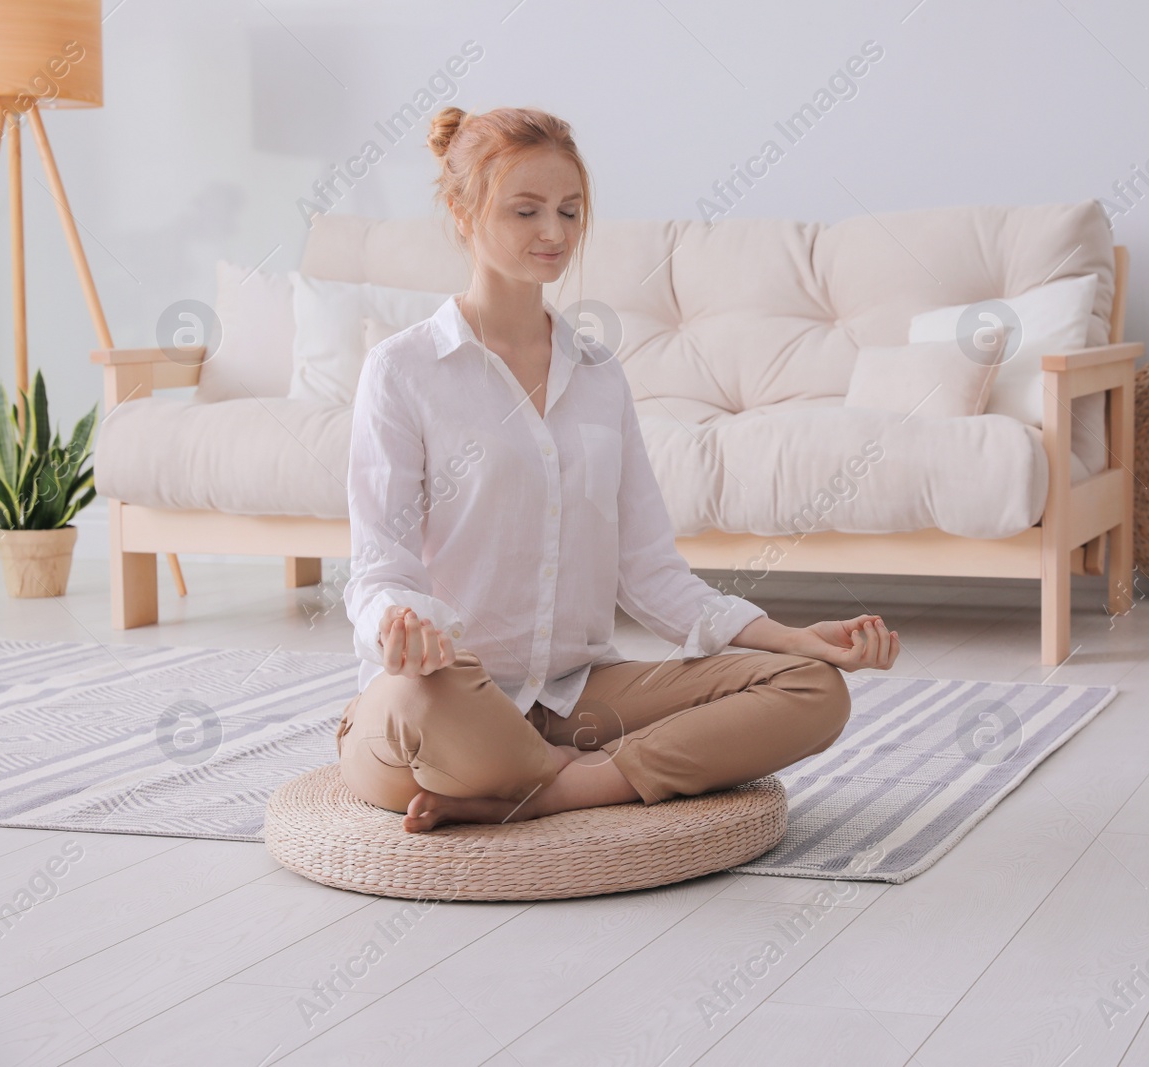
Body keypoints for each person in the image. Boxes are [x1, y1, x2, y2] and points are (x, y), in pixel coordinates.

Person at [336, 105, 901, 834]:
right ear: (462, 212)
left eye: (570, 212)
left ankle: (557, 789)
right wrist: (400, 624)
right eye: (527, 210)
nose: (555, 233)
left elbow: (651, 575)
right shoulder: (403, 370)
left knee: (813, 690)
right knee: (417, 702)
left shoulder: (599, 376)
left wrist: (787, 637)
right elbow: (377, 568)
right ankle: (576, 773)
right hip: (448, 697)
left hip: (580, 700)